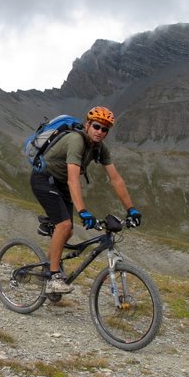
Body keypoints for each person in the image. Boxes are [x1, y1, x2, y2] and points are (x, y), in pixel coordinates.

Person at [30, 106, 141, 294]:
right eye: (97, 126)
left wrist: (132, 209)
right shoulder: (76, 140)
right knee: (64, 225)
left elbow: (116, 179)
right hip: (44, 179)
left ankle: (49, 267)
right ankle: (53, 278)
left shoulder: (100, 148)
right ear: (88, 124)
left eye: (105, 129)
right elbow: (73, 179)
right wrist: (83, 212)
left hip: (61, 184)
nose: (100, 132)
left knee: (68, 231)